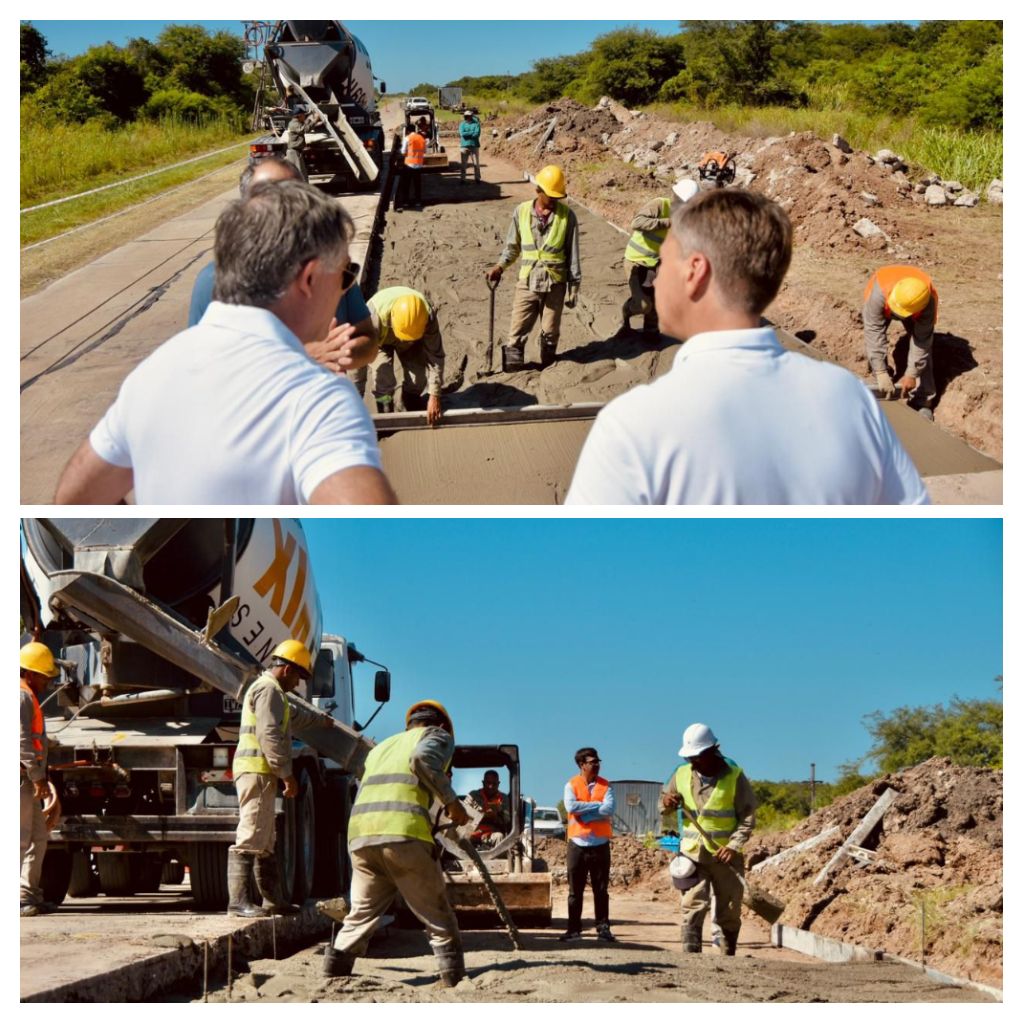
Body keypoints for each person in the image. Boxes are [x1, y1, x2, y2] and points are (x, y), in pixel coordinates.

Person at [565, 189, 930, 505]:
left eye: (662, 262)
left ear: (695, 271)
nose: (656, 278)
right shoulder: (851, 399)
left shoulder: (632, 427)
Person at [55, 180, 397, 505]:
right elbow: (383, 543)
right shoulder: (314, 397)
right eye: (344, 276)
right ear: (308, 278)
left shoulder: (148, 376)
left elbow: (74, 499)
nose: (345, 287)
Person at [188, 158, 379, 377]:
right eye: (274, 199)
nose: (288, 210)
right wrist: (300, 358)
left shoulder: (331, 268)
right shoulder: (213, 281)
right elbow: (201, 368)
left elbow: (368, 339)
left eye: (297, 196)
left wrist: (339, 353)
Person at [323, 700, 469, 986]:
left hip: (362, 836)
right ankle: (454, 977)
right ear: (440, 725)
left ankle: (333, 973)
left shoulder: (382, 747)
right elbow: (422, 760)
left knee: (361, 913)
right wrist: (452, 803)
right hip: (403, 833)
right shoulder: (437, 736)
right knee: (436, 912)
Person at [228, 640, 323, 917]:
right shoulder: (268, 690)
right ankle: (238, 902)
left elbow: (294, 716)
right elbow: (269, 734)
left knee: (265, 837)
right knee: (251, 832)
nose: (298, 683)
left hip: (260, 771)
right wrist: (286, 774)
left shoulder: (274, 693)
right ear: (286, 669)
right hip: (257, 770)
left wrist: (321, 721)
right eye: (298, 676)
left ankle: (273, 900)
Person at [660, 724, 756, 956]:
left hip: (725, 858)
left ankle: (726, 958)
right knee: (692, 904)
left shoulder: (734, 776)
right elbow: (663, 803)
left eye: (698, 757)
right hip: (693, 855)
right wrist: (667, 803)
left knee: (729, 910)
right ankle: (692, 961)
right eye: (690, 757)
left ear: (713, 750)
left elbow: (748, 816)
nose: (693, 762)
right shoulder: (681, 773)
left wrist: (733, 846)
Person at [486, 165, 581, 371]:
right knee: (518, 328)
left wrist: (574, 286)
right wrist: (500, 266)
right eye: (551, 196)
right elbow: (512, 246)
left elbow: (573, 253)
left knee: (550, 331)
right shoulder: (521, 212)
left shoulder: (567, 216)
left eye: (558, 196)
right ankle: (512, 368)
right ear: (538, 190)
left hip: (556, 282)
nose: (555, 200)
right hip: (528, 281)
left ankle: (548, 366)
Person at [618, 178, 699, 337]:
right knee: (642, 304)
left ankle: (651, 331)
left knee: (657, 300)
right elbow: (637, 222)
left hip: (657, 264)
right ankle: (626, 312)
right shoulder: (660, 205)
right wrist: (667, 222)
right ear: (676, 197)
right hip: (636, 260)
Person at [355, 286, 445, 424]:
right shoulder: (371, 319)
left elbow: (436, 356)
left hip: (412, 338)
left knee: (418, 379)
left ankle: (409, 404)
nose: (404, 341)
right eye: (404, 337)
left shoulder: (426, 317)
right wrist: (355, 400)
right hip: (379, 341)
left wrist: (435, 395)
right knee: (383, 379)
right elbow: (358, 363)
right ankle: (386, 413)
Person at [863, 265, 939, 420]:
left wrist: (912, 374)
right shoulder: (879, 294)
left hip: (914, 306)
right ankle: (878, 379)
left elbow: (922, 342)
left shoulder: (927, 303)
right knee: (875, 341)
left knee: (925, 348)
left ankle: (923, 400)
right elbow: (874, 331)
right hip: (884, 296)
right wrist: (881, 372)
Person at [21, 642, 61, 917]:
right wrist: (37, 778)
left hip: (28, 778)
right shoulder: (20, 696)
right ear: (31, 674)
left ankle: (28, 895)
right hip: (22, 778)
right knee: (22, 838)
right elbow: (21, 741)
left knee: (38, 838)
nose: (48, 681)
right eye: (45, 675)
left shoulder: (26, 696)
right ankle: (20, 899)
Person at [560, 747, 616, 942]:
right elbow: (571, 807)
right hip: (577, 845)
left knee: (601, 890)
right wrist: (596, 807)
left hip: (600, 845)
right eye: (593, 762)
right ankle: (573, 929)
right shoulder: (571, 785)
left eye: (598, 761)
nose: (597, 765)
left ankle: (603, 927)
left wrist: (585, 812)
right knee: (575, 891)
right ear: (582, 765)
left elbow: (609, 809)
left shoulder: (606, 785)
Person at [467, 770, 511, 846]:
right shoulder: (473, 795)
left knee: (499, 837)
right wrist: (480, 814)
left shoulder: (503, 798)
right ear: (483, 782)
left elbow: (508, 821)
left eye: (494, 784)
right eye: (488, 783)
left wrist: (496, 815)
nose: (491, 786)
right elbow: (463, 811)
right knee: (461, 838)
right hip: (473, 831)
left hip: (492, 833)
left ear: (498, 784)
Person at [394, 126, 425, 212]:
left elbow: (403, 151)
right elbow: (424, 150)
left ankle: (406, 202)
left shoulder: (407, 138)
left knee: (406, 184)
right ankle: (418, 202)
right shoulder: (421, 138)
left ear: (407, 131)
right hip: (419, 164)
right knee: (417, 184)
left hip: (409, 164)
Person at [285, 105, 317, 181]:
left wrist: (309, 120)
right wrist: (315, 119)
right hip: (294, 152)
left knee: (302, 174)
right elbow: (305, 129)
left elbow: (305, 125)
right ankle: (302, 191)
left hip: (296, 152)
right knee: (300, 176)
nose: (304, 117)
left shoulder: (296, 122)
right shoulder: (294, 124)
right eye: (303, 115)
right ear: (299, 116)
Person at [458, 109, 481, 184]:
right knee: (463, 164)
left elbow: (477, 134)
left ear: (471, 116)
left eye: (468, 116)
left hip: (474, 146)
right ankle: (463, 179)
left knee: (476, 164)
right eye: (465, 116)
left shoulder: (476, 124)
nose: (466, 117)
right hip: (464, 146)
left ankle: (477, 178)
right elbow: (462, 134)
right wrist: (471, 133)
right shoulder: (462, 124)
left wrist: (467, 133)